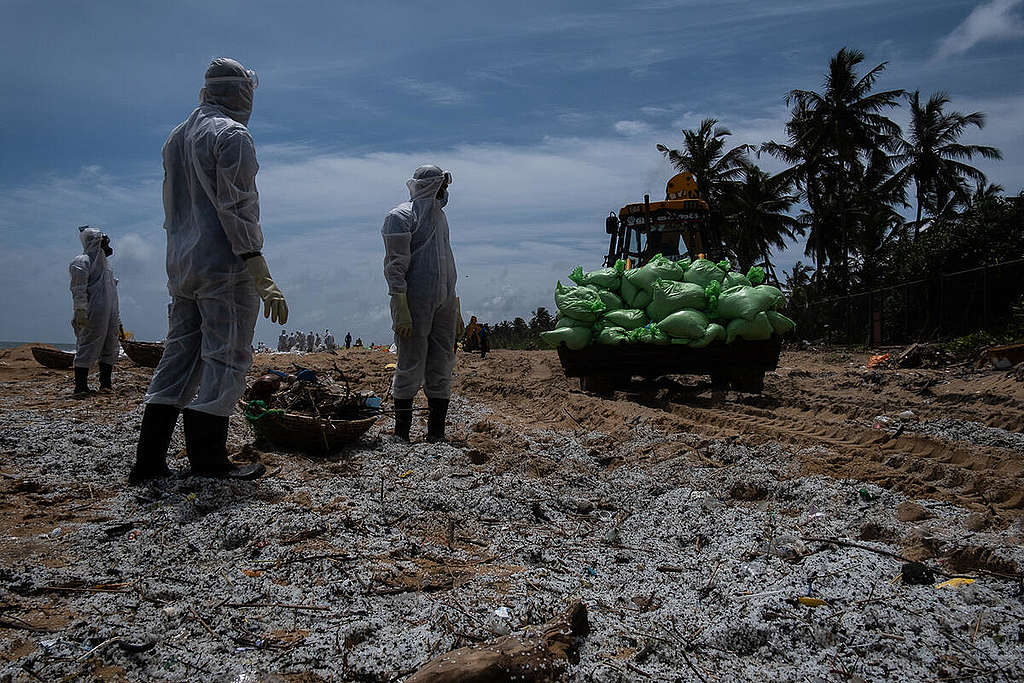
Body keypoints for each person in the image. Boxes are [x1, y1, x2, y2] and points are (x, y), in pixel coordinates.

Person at [130, 58, 288, 484]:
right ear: (239, 93)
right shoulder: (231, 136)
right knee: (227, 357)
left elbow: (175, 207)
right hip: (224, 266)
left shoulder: (176, 137)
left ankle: (149, 462)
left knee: (178, 357)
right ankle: (208, 458)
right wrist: (258, 266)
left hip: (183, 265)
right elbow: (237, 205)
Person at [382, 165, 465, 442]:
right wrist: (400, 306)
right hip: (414, 300)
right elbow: (396, 266)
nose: (446, 193)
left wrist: (456, 307)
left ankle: (436, 434)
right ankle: (401, 434)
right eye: (443, 187)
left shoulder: (440, 219)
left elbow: (448, 265)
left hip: (444, 301)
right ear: (433, 186)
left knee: (443, 362)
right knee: (410, 362)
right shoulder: (400, 216)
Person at [69, 226, 120, 397]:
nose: (108, 247)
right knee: (88, 344)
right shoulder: (82, 262)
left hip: (109, 312)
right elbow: (78, 289)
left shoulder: (106, 268)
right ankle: (80, 386)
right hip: (92, 312)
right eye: (104, 243)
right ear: (96, 243)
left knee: (110, 345)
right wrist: (80, 310)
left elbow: (112, 293)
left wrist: (117, 318)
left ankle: (105, 384)